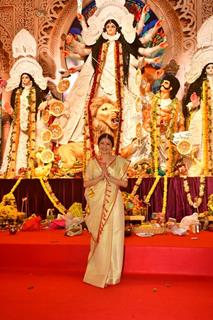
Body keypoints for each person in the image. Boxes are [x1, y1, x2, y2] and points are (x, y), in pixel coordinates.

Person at [60, 1, 165, 159]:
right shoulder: (99, 46)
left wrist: (146, 60)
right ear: (104, 29)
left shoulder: (123, 46)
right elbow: (84, 53)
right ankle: (96, 144)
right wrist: (78, 28)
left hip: (119, 82)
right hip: (100, 82)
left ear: (117, 29)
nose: (110, 29)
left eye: (113, 27)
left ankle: (121, 144)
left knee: (123, 110)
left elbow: (134, 61)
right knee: (98, 111)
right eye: (108, 27)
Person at [83, 133, 129, 288]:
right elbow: (86, 183)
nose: (104, 146)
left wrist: (110, 178)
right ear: (98, 144)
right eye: (102, 143)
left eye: (107, 144)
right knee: (100, 236)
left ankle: (112, 274)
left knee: (114, 234)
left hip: (114, 204)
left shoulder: (120, 162)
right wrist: (101, 177)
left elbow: (124, 184)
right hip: (97, 204)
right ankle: (97, 271)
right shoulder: (92, 163)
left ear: (112, 146)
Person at [0, 73, 44, 178]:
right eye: (22, 78)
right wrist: (11, 111)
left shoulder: (36, 91)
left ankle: (30, 167)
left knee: (31, 144)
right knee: (17, 144)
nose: (24, 80)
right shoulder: (18, 91)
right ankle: (17, 169)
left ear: (30, 79)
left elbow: (39, 105)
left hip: (32, 124)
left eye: (26, 77)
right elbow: (14, 110)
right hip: (18, 124)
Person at [150, 73, 184, 176]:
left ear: (171, 88)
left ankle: (167, 170)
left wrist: (179, 138)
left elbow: (180, 121)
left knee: (167, 157)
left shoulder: (175, 103)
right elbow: (148, 116)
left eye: (165, 83)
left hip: (169, 136)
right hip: (155, 134)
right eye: (163, 82)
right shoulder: (154, 100)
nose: (162, 84)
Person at [183, 63, 213, 176]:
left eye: (212, 68)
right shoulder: (201, 84)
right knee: (199, 133)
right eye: (208, 68)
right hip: (204, 112)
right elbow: (196, 101)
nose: (211, 70)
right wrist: (192, 104)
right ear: (205, 71)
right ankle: (201, 163)